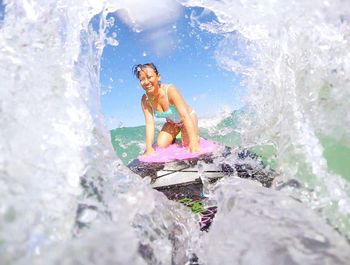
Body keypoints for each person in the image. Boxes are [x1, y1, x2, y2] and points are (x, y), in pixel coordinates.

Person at [133, 63, 200, 156]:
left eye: (149, 77)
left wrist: (193, 142)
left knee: (187, 145)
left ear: (158, 77)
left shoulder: (170, 90)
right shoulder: (145, 99)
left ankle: (194, 136)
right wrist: (149, 148)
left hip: (187, 118)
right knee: (160, 145)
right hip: (172, 123)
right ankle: (175, 137)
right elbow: (149, 124)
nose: (146, 82)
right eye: (142, 80)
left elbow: (185, 116)